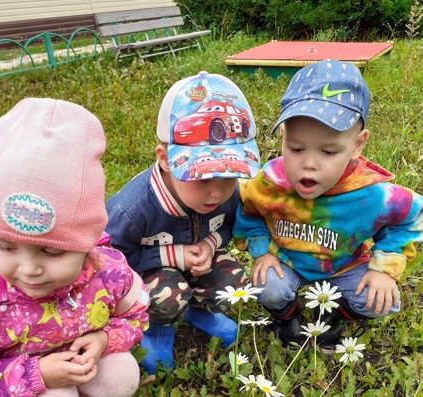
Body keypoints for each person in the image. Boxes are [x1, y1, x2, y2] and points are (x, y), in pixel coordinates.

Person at [0, 98, 150, 397]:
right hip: (21, 387)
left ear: (86, 245)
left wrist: (105, 340)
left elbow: (136, 315)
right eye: (5, 246)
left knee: (121, 376)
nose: (29, 269)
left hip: (80, 364)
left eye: (52, 253)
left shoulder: (107, 272)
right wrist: (39, 375)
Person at [234, 59, 423, 350]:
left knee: (382, 301)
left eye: (329, 151)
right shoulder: (270, 182)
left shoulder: (373, 195)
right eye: (296, 149)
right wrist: (261, 251)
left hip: (344, 267)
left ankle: (337, 313)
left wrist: (383, 268)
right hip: (288, 263)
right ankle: (287, 317)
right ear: (283, 137)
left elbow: (410, 219)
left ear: (357, 145)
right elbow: (248, 209)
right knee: (266, 286)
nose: (309, 164)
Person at [106, 71, 261, 373]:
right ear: (164, 159)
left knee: (233, 281)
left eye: (229, 175)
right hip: (147, 272)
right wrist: (172, 256)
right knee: (167, 295)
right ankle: (156, 329)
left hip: (196, 259)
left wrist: (209, 243)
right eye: (201, 176)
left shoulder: (225, 195)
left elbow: (229, 224)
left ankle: (200, 314)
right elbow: (110, 260)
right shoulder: (132, 210)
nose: (216, 192)